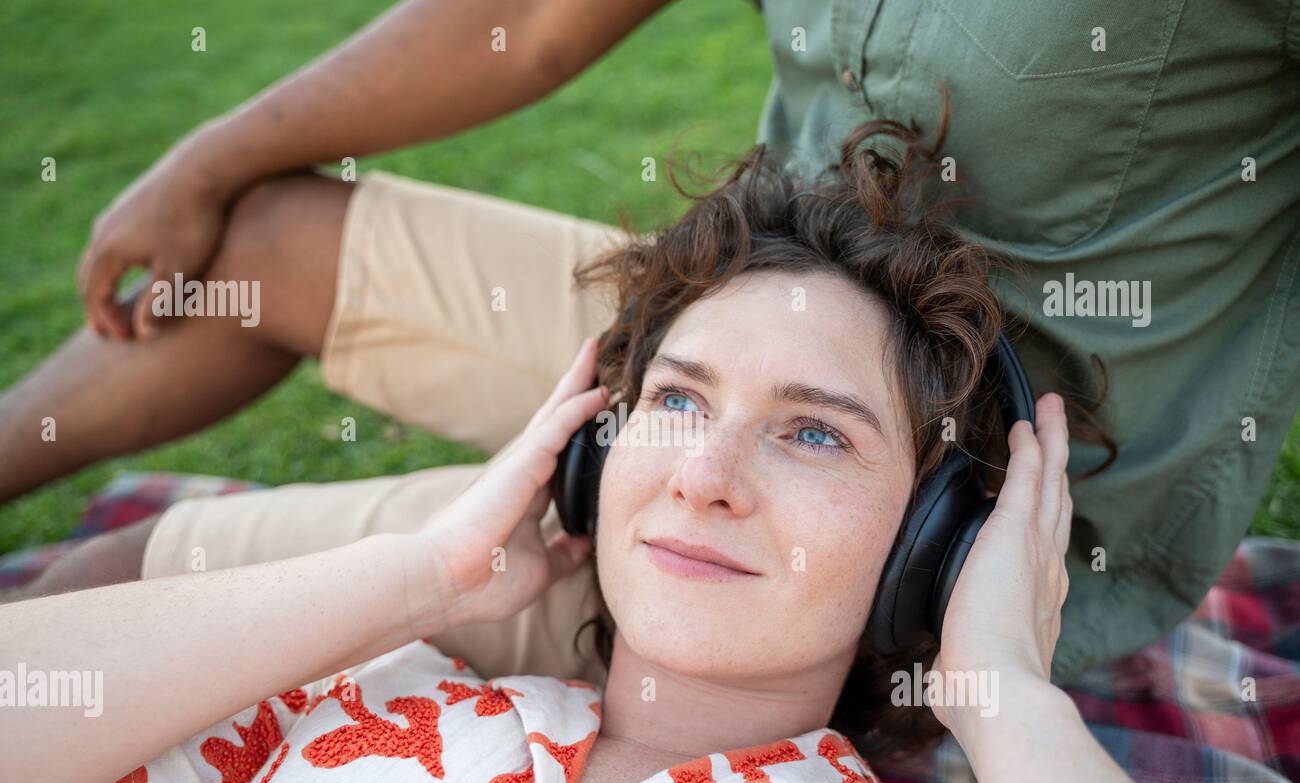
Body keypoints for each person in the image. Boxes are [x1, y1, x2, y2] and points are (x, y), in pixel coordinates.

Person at [1, 0, 1296, 700]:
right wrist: (207, 155)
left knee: (102, 598)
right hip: (730, 336)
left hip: (954, 502)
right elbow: (532, 15)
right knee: (268, 234)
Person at [0, 122, 1208, 783]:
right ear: (589, 452)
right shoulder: (335, 710)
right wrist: (416, 574)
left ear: (930, 556)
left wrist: (1003, 696)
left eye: (814, 435)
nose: (702, 478)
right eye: (677, 401)